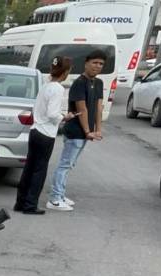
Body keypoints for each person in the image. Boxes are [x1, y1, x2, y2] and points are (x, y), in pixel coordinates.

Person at [47, 51, 106, 213]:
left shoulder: (99, 83)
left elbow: (99, 107)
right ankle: (55, 198)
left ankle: (61, 194)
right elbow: (82, 108)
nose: (97, 66)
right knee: (65, 165)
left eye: (101, 64)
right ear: (86, 63)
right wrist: (88, 131)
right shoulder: (79, 83)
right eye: (95, 62)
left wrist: (98, 130)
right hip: (75, 131)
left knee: (70, 165)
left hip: (86, 132)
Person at [15, 56, 73, 215]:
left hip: (35, 130)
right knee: (39, 170)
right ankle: (30, 205)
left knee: (29, 168)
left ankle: (20, 202)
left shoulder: (45, 86)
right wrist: (64, 117)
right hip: (46, 133)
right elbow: (52, 113)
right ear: (66, 72)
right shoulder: (58, 89)